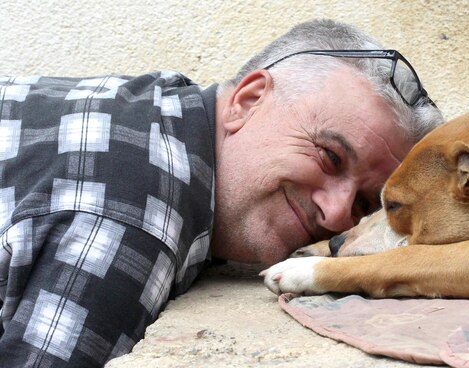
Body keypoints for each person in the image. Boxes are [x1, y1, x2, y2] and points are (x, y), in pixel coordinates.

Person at [0, 19, 443, 367]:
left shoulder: (166, 106)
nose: (334, 213)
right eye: (329, 156)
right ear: (247, 101)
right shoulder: (138, 214)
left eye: (364, 204)